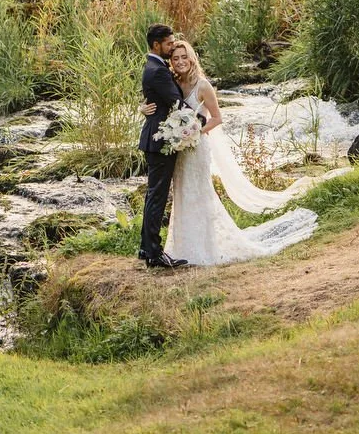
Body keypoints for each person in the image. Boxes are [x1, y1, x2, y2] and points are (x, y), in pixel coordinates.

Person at [152, 40, 323, 266]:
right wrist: (144, 109)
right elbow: (160, 105)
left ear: (192, 58)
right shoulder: (173, 83)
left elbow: (217, 118)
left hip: (197, 148)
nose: (181, 62)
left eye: (185, 57)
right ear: (171, 63)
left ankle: (206, 248)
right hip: (181, 151)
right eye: (176, 59)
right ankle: (183, 247)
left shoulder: (202, 86)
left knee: (200, 195)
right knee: (183, 196)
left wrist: (195, 133)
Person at [137, 24, 188, 269]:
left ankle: (148, 249)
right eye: (168, 43)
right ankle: (154, 253)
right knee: (157, 197)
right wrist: (200, 121)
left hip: (156, 139)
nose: (171, 46)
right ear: (157, 44)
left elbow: (155, 98)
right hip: (160, 141)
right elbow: (176, 102)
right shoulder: (158, 70)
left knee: (153, 196)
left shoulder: (155, 67)